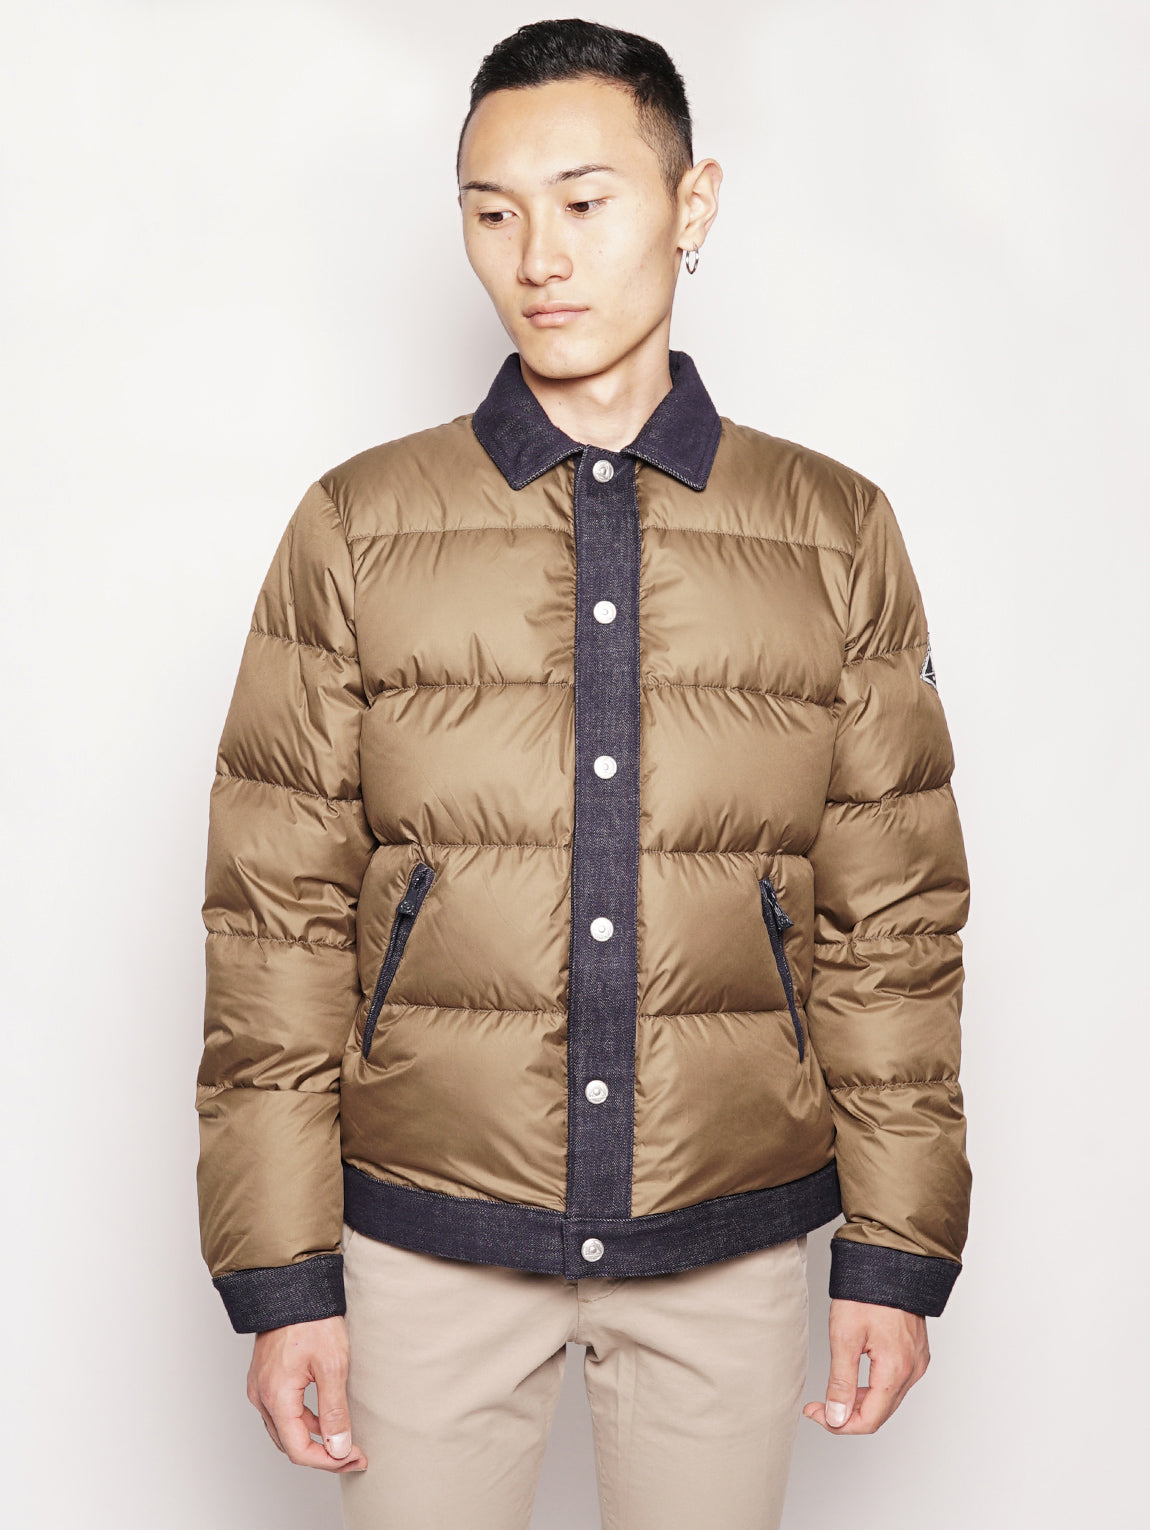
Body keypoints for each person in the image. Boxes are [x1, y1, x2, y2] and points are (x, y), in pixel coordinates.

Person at [194, 18, 972, 1530]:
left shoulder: (833, 530)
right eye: (491, 212)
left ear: (691, 204)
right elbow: (273, 923)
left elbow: (894, 920)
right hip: (427, 1234)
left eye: (582, 201)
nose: (536, 258)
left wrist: (893, 1247)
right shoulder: (356, 525)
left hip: (727, 1234)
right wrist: (283, 1274)